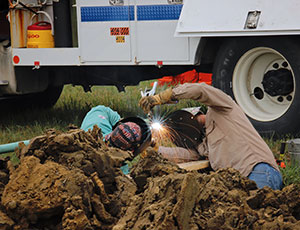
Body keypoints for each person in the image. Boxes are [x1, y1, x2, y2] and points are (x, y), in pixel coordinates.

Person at [139, 83, 283, 190]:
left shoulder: (222, 109)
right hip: (239, 184)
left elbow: (201, 90)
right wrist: (155, 149)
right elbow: (185, 155)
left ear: (193, 114)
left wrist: (165, 97)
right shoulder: (202, 144)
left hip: (259, 171)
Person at [81, 105, 151, 154]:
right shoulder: (120, 169)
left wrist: (123, 126)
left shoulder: (96, 123)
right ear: (131, 150)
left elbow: (102, 109)